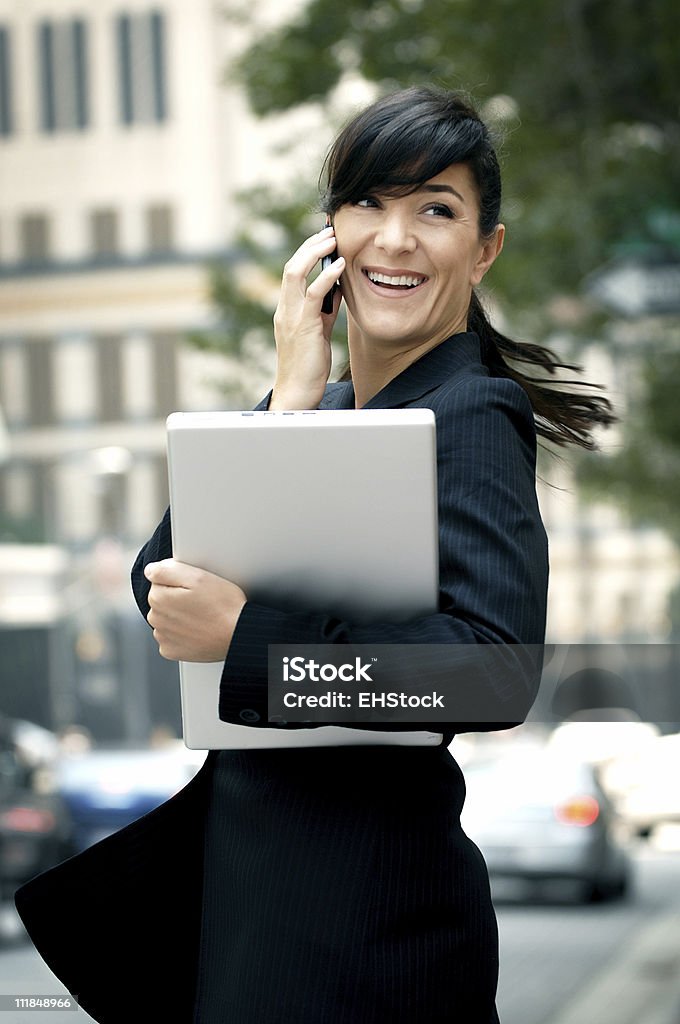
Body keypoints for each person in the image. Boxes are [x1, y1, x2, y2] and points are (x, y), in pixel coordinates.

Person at [15, 86, 613, 1024]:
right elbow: (160, 586)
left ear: (486, 248)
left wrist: (249, 640)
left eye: (436, 211)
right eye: (369, 202)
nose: (396, 238)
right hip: (267, 900)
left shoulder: (471, 414)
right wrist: (290, 396)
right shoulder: (322, 407)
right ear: (330, 232)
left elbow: (493, 674)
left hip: (362, 924)